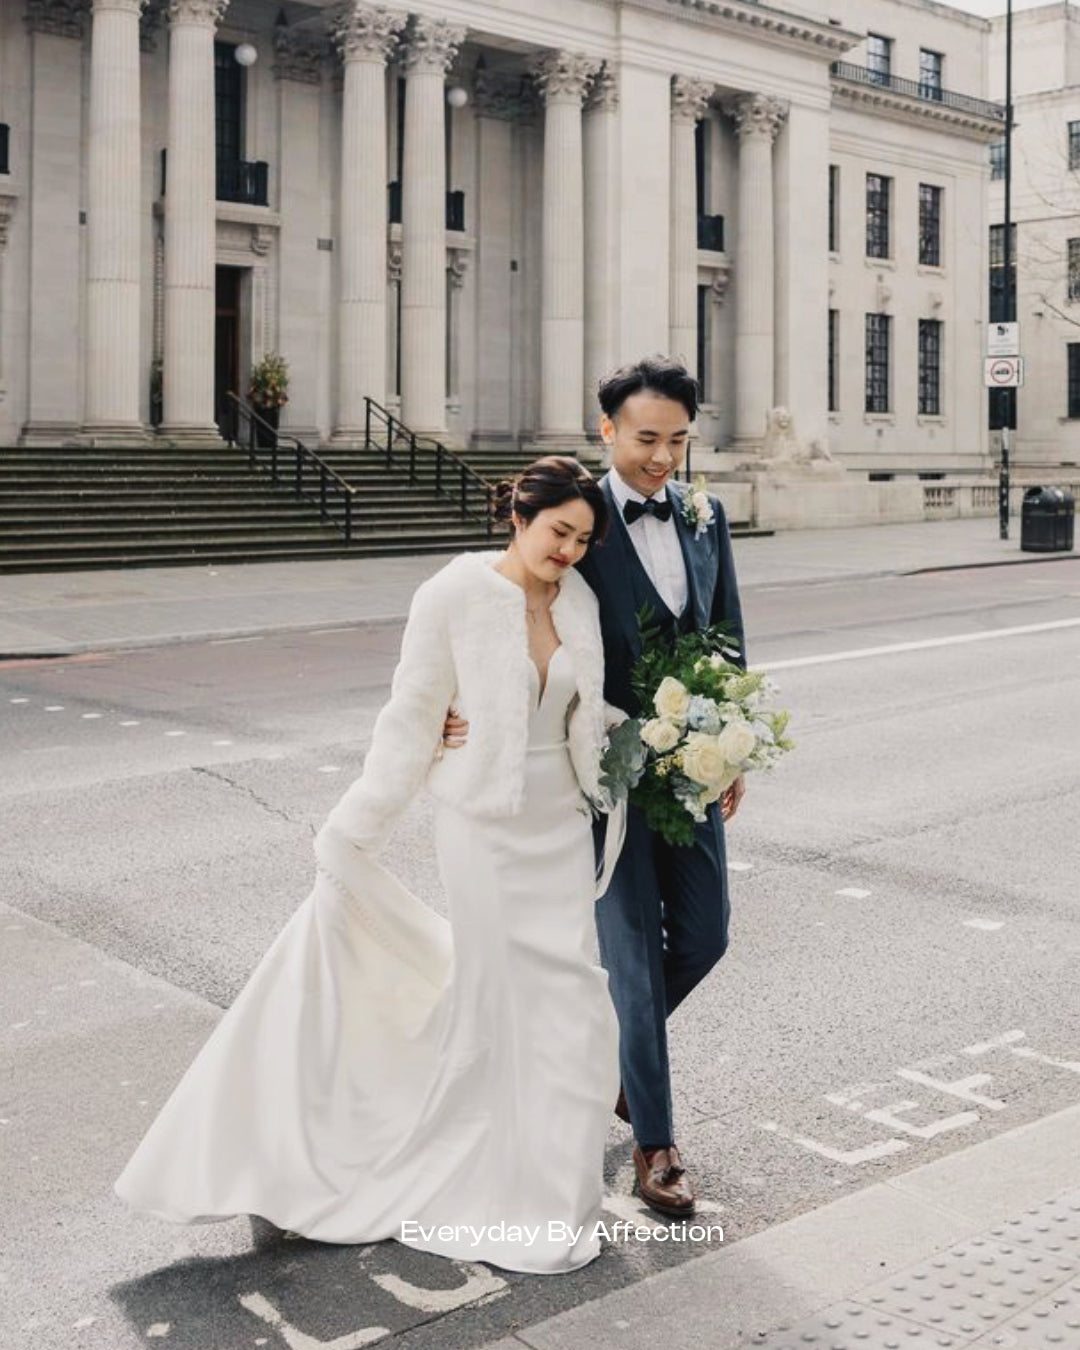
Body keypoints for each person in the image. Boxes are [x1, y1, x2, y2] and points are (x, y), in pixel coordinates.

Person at [113, 456, 631, 1275]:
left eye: (583, 539)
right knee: (504, 1006)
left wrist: (643, 741)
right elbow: (412, 713)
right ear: (519, 516)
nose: (569, 551)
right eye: (559, 532)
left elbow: (579, 704)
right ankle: (488, 1177)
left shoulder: (581, 600)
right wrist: (356, 826)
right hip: (483, 831)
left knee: (570, 1001)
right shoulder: (452, 596)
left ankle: (548, 1187)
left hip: (559, 823)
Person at [442, 357, 747, 1219]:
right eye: (647, 438)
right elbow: (501, 605)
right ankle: (657, 1144)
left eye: (679, 439)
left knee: (705, 935)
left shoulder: (704, 512)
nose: (663, 458)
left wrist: (735, 746)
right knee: (634, 964)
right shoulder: (580, 518)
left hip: (691, 764)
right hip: (599, 772)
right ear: (607, 429)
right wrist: (450, 706)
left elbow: (724, 630)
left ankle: (614, 1069)